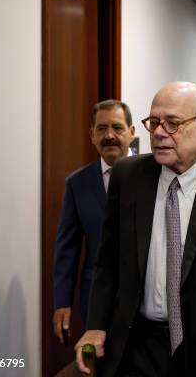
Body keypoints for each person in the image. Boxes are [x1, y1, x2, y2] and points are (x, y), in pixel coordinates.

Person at [75, 81, 196, 377]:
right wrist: (95, 325)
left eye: (172, 123)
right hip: (136, 346)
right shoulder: (127, 177)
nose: (157, 132)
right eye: (154, 122)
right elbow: (108, 261)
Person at [52, 99, 136, 344]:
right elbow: (67, 248)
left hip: (147, 296)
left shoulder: (156, 175)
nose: (109, 135)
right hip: (97, 298)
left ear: (131, 133)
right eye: (101, 129)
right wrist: (62, 301)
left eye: (117, 127)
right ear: (91, 135)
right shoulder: (77, 184)